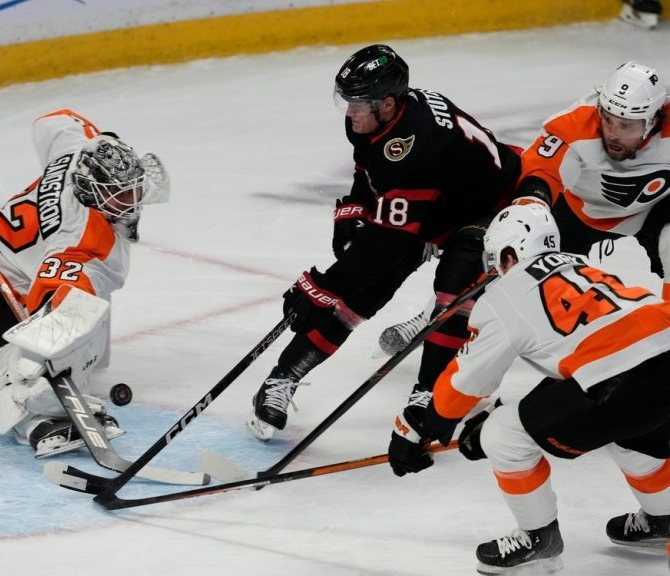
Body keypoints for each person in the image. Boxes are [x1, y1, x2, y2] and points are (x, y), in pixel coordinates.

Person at [245, 44, 524, 441]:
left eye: (357, 103)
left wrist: (322, 285)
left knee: (454, 291)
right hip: (434, 204)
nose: (348, 111)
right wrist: (354, 210)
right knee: (362, 294)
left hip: (489, 206)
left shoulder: (418, 141)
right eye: (347, 101)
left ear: (388, 103)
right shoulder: (374, 121)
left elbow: (388, 246)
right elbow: (370, 170)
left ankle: (430, 394)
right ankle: (283, 378)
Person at [388, 203, 670, 573]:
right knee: (630, 431)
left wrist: (424, 428)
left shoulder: (507, 294)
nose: (492, 273)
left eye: (494, 263)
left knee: (504, 435)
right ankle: (663, 517)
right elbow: (586, 362)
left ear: (509, 253)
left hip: (623, 383)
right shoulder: (584, 268)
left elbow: (465, 382)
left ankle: (539, 538)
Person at [0, 108, 170, 456]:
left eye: (132, 189)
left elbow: (53, 120)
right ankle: (34, 419)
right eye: (120, 194)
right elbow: (49, 307)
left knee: (87, 316)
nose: (132, 200)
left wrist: (101, 142)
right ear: (92, 192)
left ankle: (47, 390)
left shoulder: (78, 154)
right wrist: (36, 365)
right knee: (23, 360)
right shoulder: (81, 240)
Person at [379, 60, 670, 353]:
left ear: (654, 120)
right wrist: (532, 207)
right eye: (608, 119)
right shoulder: (576, 125)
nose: (613, 132)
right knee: (506, 257)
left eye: (626, 125)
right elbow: (540, 172)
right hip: (578, 209)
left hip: (655, 208)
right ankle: (436, 314)